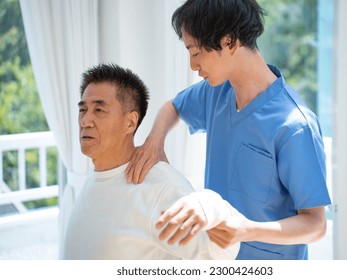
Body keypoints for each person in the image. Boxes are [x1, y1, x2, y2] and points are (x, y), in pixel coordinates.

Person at [126, 0, 332, 260]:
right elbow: (173, 107)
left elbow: (316, 225)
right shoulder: (217, 92)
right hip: (216, 259)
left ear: (230, 42)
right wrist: (155, 141)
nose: (192, 65)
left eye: (196, 52)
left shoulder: (295, 126)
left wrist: (246, 230)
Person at [61, 63, 239, 260]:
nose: (85, 121)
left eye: (99, 110)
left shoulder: (161, 188)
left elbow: (221, 254)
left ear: (130, 122)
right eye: (83, 110)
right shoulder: (97, 176)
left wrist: (210, 204)